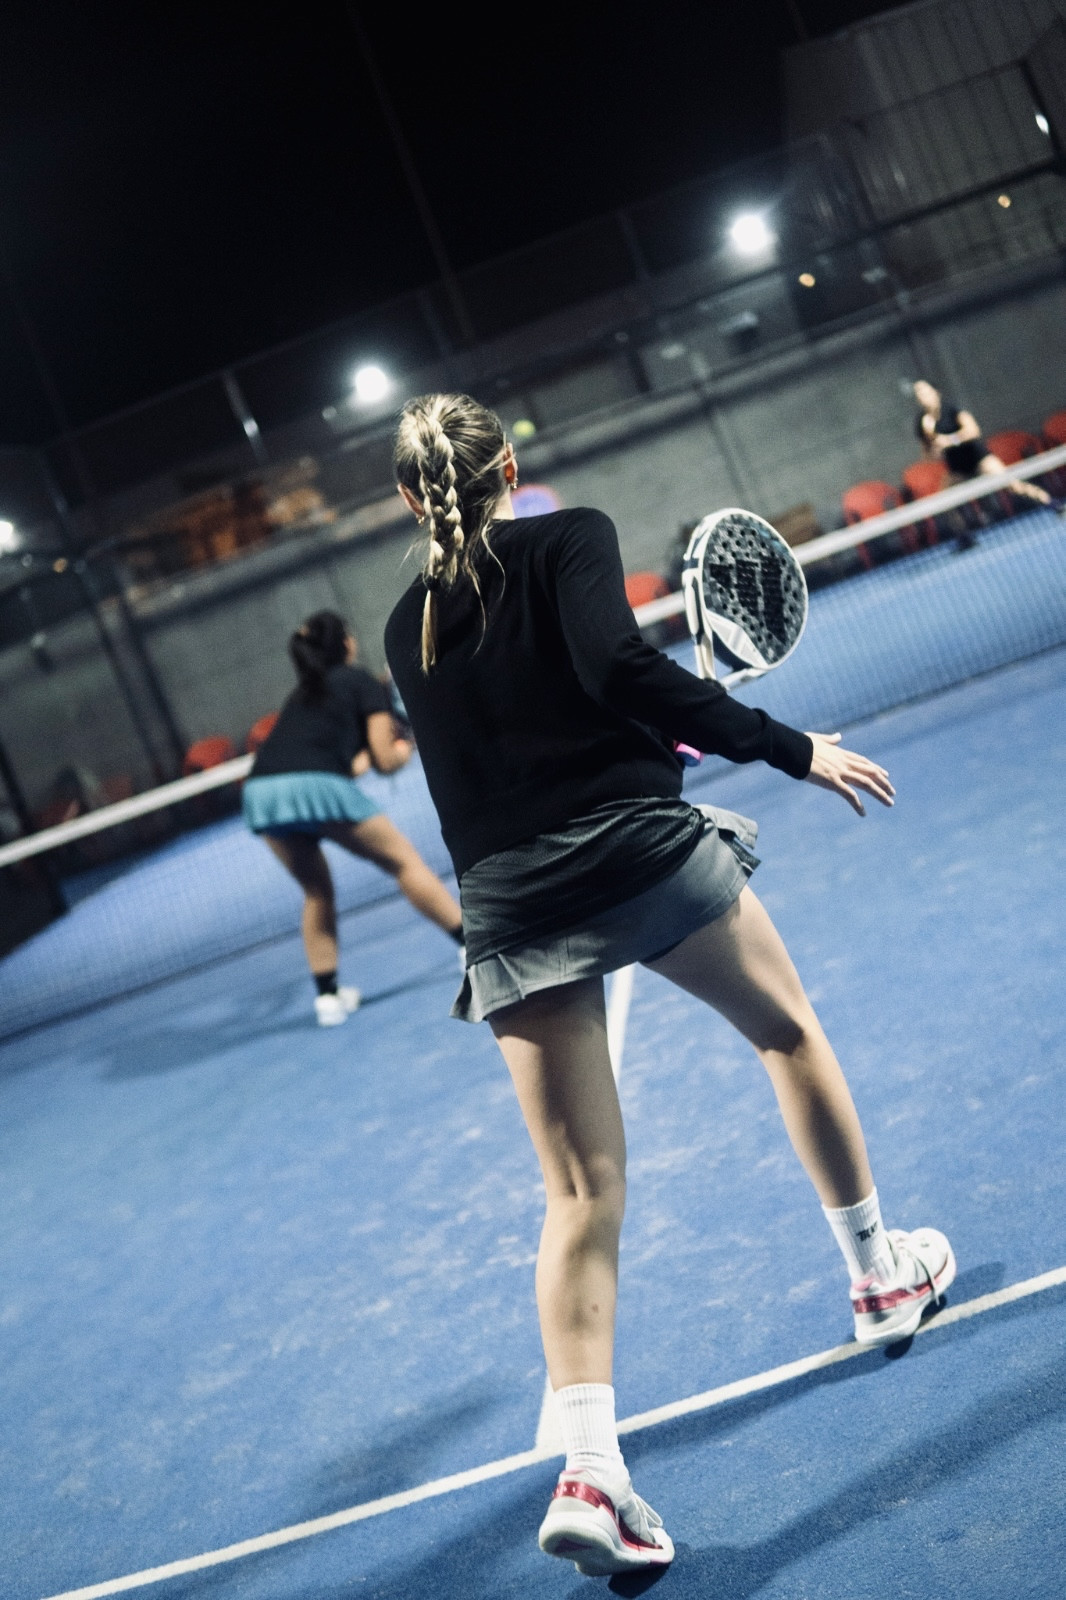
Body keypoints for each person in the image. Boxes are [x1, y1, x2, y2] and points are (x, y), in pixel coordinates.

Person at [384, 394, 955, 1577]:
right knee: (786, 1032)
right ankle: (879, 1277)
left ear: (405, 496)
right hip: (632, 852)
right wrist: (788, 745)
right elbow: (615, 666)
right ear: (511, 467)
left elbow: (515, 758)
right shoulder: (571, 535)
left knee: (577, 1192)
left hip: (507, 899)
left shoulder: (407, 627)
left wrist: (649, 745)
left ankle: (591, 1470)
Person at [243, 610, 463, 1026]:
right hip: (314, 787)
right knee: (403, 862)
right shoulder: (361, 682)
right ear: (345, 642)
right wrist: (404, 749)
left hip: (262, 793)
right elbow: (384, 761)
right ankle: (470, 946)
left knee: (316, 891)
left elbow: (339, 762)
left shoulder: (303, 694)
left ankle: (328, 999)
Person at [913, 380, 1054, 547]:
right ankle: (965, 537)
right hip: (958, 469)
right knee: (944, 502)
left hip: (979, 459)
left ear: (935, 392)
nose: (922, 396)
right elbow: (927, 455)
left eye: (924, 391)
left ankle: (1052, 502)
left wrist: (950, 440)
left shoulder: (951, 409)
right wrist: (934, 451)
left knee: (1013, 485)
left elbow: (973, 431)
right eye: (918, 394)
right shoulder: (922, 422)